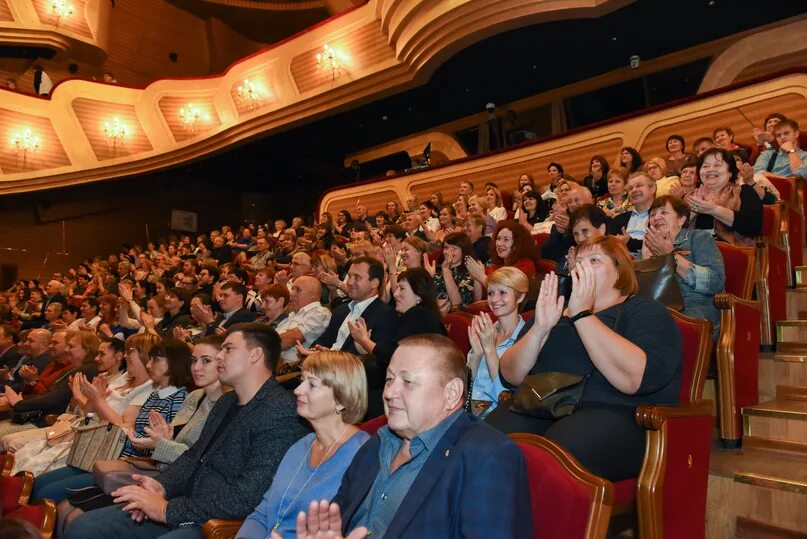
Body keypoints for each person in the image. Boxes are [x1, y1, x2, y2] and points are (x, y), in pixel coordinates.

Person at [62, 324, 309, 539]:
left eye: (228, 349)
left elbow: (248, 495)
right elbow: (194, 457)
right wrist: (161, 487)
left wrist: (166, 510)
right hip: (184, 504)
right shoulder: (226, 402)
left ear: (255, 355)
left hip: (214, 522)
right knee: (83, 527)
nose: (220, 356)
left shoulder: (280, 411)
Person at [294, 334, 531, 538]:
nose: (389, 392)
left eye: (407, 381)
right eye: (389, 379)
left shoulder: (489, 457)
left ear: (451, 393)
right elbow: (337, 517)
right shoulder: (377, 442)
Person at [486, 236, 682, 482]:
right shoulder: (553, 312)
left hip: (612, 412)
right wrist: (540, 328)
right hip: (542, 405)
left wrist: (582, 315)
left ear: (619, 270)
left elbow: (636, 379)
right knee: (483, 445)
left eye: (594, 260)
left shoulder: (644, 311)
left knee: (556, 454)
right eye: (577, 262)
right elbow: (510, 375)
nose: (582, 267)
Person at [57, 336, 228, 531]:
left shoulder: (211, 402)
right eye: (193, 361)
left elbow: (199, 460)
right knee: (69, 513)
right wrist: (161, 439)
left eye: (206, 361)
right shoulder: (194, 396)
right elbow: (172, 442)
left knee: (80, 523)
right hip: (159, 473)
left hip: (171, 484)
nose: (196, 367)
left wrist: (159, 443)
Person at [32, 338, 191, 502]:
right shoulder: (157, 392)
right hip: (115, 456)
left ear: (174, 363)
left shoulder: (179, 399)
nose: (149, 365)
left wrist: (131, 434)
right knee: (39, 484)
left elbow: (160, 448)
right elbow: (135, 429)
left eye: (156, 360)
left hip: (131, 466)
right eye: (149, 359)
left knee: (46, 492)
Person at [237, 351, 370, 538]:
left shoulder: (363, 455)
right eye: (301, 381)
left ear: (341, 398)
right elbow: (262, 513)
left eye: (312, 384)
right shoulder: (301, 445)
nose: (298, 390)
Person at [641, 196, 725, 339]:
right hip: (655, 310)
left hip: (693, 308)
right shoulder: (646, 248)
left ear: (681, 220)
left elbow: (715, 282)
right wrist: (645, 262)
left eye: (664, 212)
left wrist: (670, 255)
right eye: (652, 214)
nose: (656, 217)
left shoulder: (698, 238)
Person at [301, 257, 399, 359]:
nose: (349, 282)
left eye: (357, 277)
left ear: (374, 283)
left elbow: (376, 361)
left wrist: (329, 357)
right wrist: (314, 350)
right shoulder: (341, 310)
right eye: (349, 276)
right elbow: (324, 340)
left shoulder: (385, 315)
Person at [467, 267, 528, 418]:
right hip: (468, 411)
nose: (494, 300)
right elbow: (466, 385)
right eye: (490, 293)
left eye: (502, 293)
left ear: (519, 297)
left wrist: (489, 350)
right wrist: (476, 354)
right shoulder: (486, 330)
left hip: (496, 417)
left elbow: (506, 397)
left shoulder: (526, 339)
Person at [687, 147, 762, 247]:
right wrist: (692, 213)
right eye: (705, 166)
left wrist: (714, 210)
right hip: (694, 251)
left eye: (717, 165)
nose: (711, 170)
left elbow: (752, 227)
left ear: (730, 172)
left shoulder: (744, 192)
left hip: (732, 253)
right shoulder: (689, 198)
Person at [274, 276, 332, 372]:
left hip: (294, 372)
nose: (292, 294)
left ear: (313, 295)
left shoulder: (321, 313)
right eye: (292, 289)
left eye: (298, 290)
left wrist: (260, 344)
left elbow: (287, 341)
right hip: (274, 367)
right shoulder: (292, 315)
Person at [466, 220, 538, 288]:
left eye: (506, 239)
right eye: (498, 238)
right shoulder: (498, 264)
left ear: (518, 243)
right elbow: (479, 297)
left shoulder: (526, 265)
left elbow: (504, 292)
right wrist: (475, 279)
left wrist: (481, 277)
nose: (499, 244)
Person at [427, 232, 482, 308]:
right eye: (446, 247)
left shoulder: (468, 273)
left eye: (454, 248)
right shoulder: (438, 271)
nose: (448, 252)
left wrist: (446, 270)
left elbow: (456, 303)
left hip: (458, 315)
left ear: (463, 251)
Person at [607, 172, 656, 254]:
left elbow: (659, 244)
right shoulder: (618, 220)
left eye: (639, 185)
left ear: (652, 188)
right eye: (630, 188)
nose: (634, 190)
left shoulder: (662, 216)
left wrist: (629, 242)